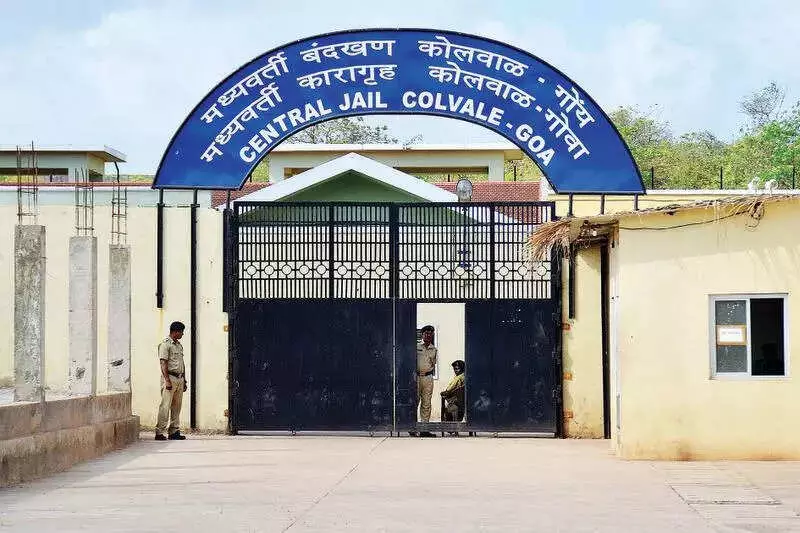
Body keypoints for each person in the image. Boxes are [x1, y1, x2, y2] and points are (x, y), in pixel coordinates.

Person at [155, 321, 187, 441]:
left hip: (179, 378)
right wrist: (167, 380)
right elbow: (163, 363)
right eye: (181, 332)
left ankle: (174, 431)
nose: (182, 334)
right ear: (175, 332)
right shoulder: (165, 344)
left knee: (176, 406)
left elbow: (182, 363)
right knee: (165, 405)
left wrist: (184, 380)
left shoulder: (178, 345)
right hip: (170, 378)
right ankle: (159, 431)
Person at [413, 325, 437, 437]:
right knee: (415, 401)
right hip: (416, 377)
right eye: (426, 333)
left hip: (428, 378)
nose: (428, 335)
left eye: (430, 334)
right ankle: (412, 427)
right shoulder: (416, 347)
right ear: (422, 335)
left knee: (426, 403)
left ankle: (424, 429)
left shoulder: (434, 349)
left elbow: (433, 364)